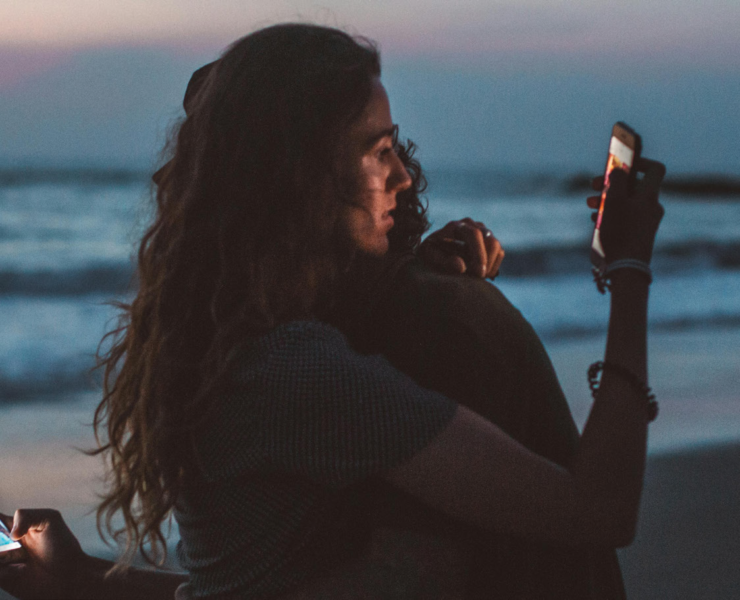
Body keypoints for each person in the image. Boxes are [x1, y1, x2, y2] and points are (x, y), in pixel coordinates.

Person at [0, 22, 665, 600]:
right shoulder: (302, 373)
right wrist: (629, 270)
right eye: (379, 151)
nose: (403, 176)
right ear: (301, 176)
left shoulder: (222, 342)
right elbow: (600, 510)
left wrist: (82, 578)